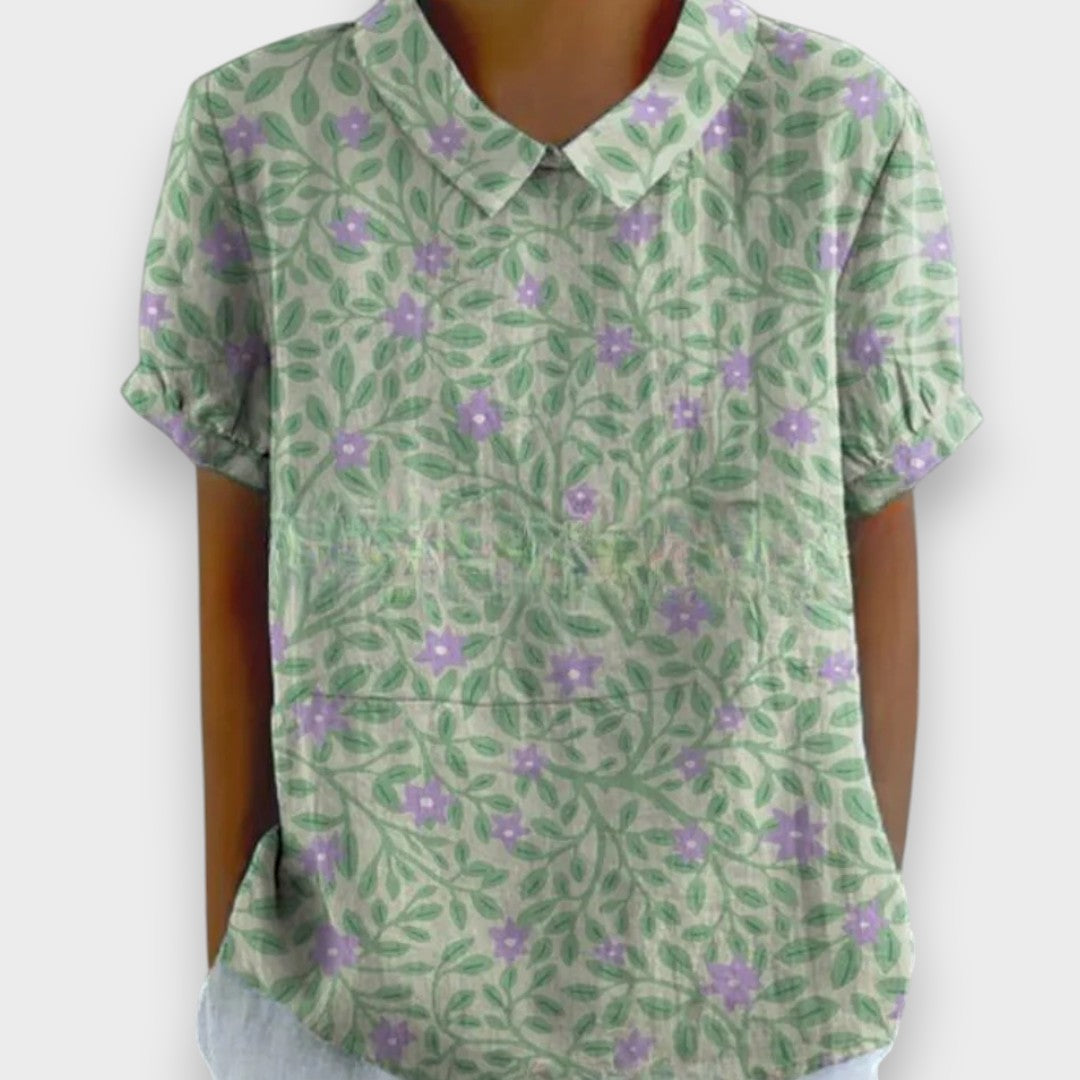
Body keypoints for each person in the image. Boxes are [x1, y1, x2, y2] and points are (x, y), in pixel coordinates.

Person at [120, 1, 983, 1078]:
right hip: (346, 1004)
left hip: (767, 999)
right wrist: (246, 994)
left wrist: (849, 940)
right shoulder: (259, 129)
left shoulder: (839, 125)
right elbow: (232, 598)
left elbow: (875, 566)